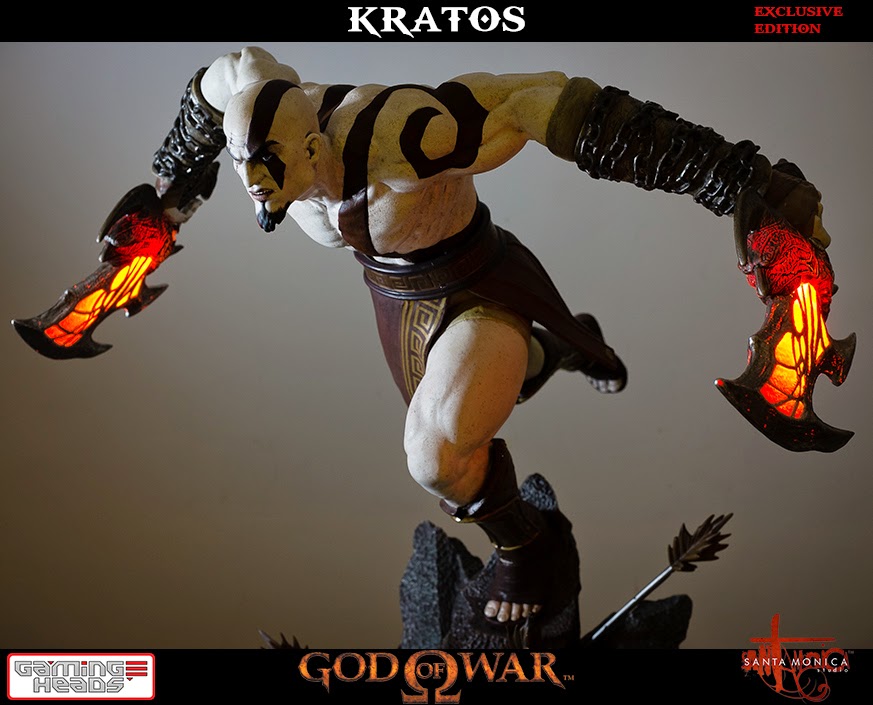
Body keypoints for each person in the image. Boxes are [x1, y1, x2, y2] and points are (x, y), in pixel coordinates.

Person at [150, 46, 827, 624]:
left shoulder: (405, 132)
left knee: (435, 457)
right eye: (241, 161)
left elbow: (542, 100)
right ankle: (550, 351)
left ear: (309, 145)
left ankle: (526, 548)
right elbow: (217, 85)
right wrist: (166, 204)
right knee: (463, 424)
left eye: (267, 161)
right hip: (395, 301)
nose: (252, 181)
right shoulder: (253, 93)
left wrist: (732, 179)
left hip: (477, 286)